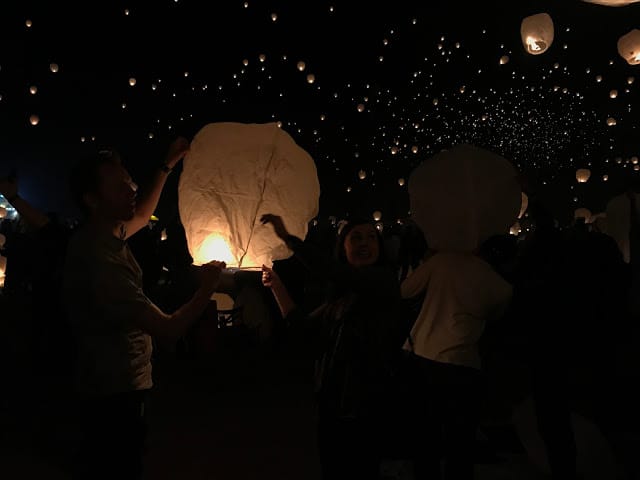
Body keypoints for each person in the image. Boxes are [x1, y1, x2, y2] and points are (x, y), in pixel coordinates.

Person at [62, 138, 227, 480]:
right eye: (120, 185)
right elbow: (169, 329)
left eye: (131, 181)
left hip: (108, 384)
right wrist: (207, 289)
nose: (132, 188)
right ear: (92, 200)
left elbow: (139, 214)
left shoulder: (106, 234)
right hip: (113, 394)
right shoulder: (101, 261)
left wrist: (168, 165)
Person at [261, 214, 402, 480]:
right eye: (356, 237)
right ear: (343, 247)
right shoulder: (341, 298)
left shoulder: (383, 282)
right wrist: (276, 287)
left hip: (366, 405)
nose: (365, 243)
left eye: (372, 237)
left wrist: (288, 239)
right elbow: (301, 327)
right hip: (332, 405)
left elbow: (334, 271)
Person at [400, 245, 512, 480]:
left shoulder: (440, 261)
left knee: (426, 437)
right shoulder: (484, 271)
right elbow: (503, 298)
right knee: (460, 442)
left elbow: (406, 290)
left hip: (427, 355)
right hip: (465, 361)